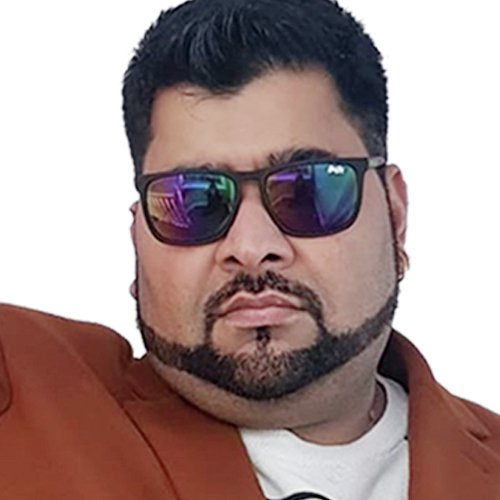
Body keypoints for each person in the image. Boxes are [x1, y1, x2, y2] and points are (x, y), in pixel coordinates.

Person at [0, 0, 499, 498]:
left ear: (395, 216)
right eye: (193, 201)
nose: (251, 247)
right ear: (138, 238)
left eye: (308, 191)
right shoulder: (31, 393)